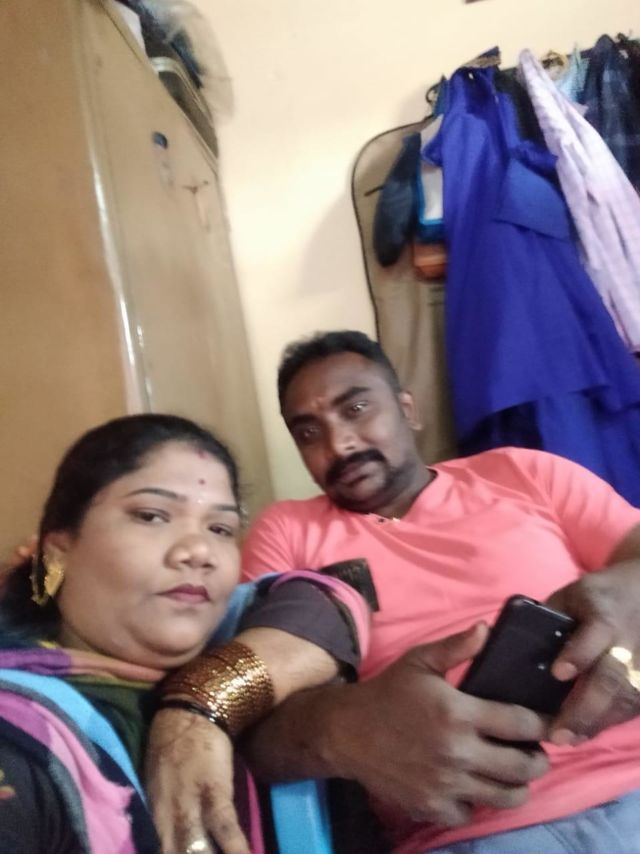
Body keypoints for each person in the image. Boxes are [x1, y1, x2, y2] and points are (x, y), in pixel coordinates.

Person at [148, 330, 640, 854]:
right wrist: (346, 727)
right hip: (473, 831)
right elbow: (261, 715)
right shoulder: (289, 530)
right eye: (309, 432)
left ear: (408, 409)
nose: (339, 445)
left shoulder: (524, 473)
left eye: (356, 409)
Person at [0, 413, 371, 854]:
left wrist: (203, 702)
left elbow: (332, 598)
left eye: (220, 529)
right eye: (152, 516)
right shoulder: (19, 732)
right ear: (58, 553)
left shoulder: (234, 632)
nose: (199, 551)